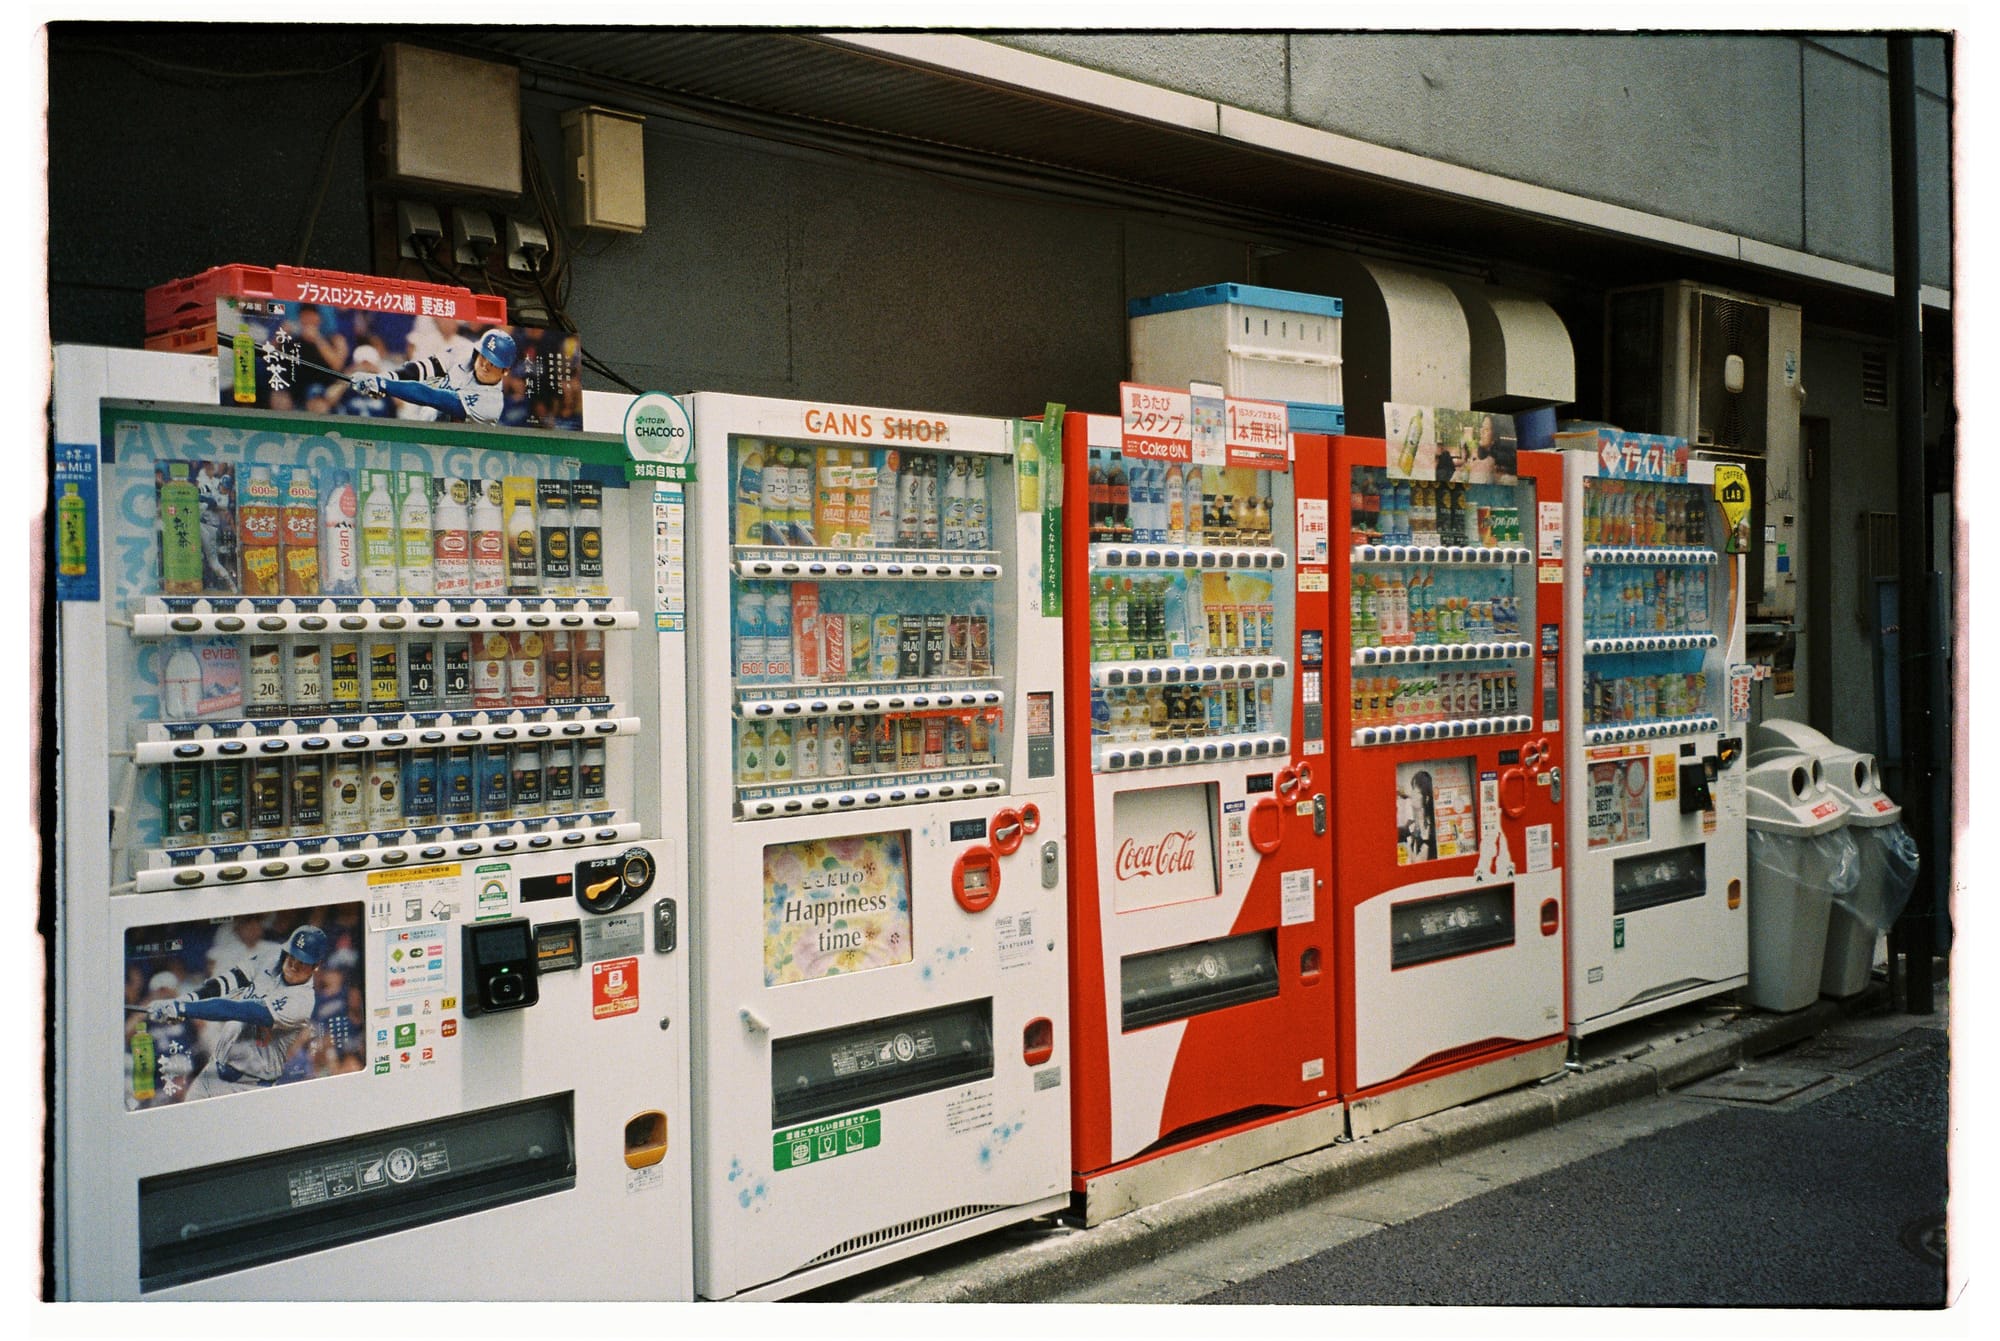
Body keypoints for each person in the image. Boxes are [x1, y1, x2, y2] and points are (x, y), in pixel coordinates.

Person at [147, 924, 329, 1099]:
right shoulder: (273, 957)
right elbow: (228, 981)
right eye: (292, 956)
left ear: (317, 965)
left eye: (303, 962)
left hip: (250, 1085)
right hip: (214, 1071)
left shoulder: (301, 1001)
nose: (293, 965)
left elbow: (235, 1010)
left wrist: (183, 1009)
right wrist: (187, 999)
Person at [349, 327, 516, 424]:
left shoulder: (491, 404)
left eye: (494, 363)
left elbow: (432, 397)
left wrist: (385, 385)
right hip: (427, 428)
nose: (485, 365)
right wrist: (386, 378)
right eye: (483, 356)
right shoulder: (465, 353)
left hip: (461, 453)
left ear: (505, 370)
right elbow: (421, 369)